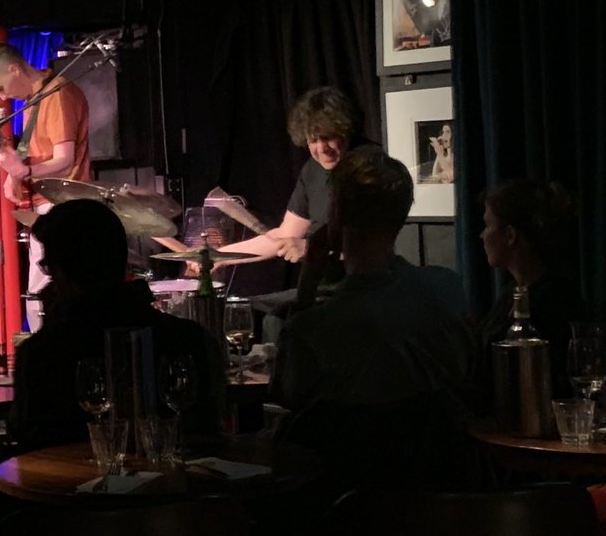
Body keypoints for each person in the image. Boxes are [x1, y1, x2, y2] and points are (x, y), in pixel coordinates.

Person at [271, 146, 476, 412]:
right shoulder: (448, 288)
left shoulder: (314, 328)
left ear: (337, 214)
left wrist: (307, 282)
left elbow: (285, 395)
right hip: (446, 451)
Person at [9, 198, 225, 451]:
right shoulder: (192, 339)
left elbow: (26, 435)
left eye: (49, 267)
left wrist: (56, 323)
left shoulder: (42, 353)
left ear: (63, 272)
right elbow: (211, 429)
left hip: (73, 486)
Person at [0, 42, 90, 331]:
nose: (3, 96)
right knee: (39, 288)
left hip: (63, 203)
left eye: (1, 87)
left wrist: (23, 170)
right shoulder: (35, 98)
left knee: (49, 288)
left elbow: (63, 160)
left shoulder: (58, 94)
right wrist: (11, 172)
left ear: (15, 69)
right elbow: (31, 153)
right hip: (45, 203)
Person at [217, 86, 363, 265]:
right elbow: (285, 236)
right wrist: (217, 256)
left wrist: (312, 249)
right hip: (321, 286)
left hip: (364, 288)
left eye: (327, 137)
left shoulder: (371, 168)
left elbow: (376, 247)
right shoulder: (312, 170)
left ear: (344, 129)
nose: (322, 148)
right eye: (313, 140)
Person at [475, 178, 587, 403]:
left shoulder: (553, 303)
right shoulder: (513, 292)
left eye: (487, 225)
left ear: (510, 235)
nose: (481, 235)